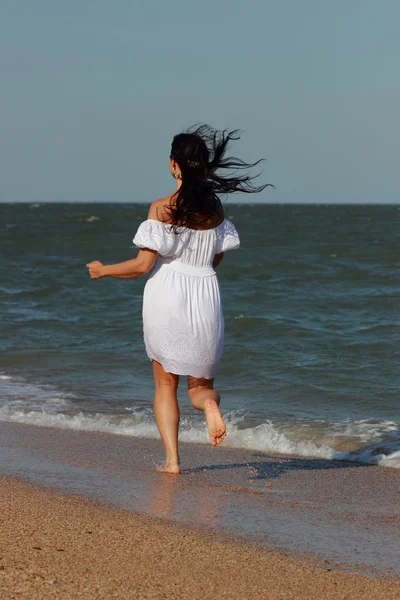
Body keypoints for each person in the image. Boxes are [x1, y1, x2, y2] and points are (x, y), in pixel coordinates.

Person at [86, 125, 269, 474]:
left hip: (168, 294)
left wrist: (103, 270)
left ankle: (172, 462)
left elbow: (142, 266)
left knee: (164, 383)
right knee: (200, 388)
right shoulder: (216, 212)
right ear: (203, 166)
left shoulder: (162, 208)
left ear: (174, 164)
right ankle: (211, 409)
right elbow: (215, 260)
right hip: (206, 296)